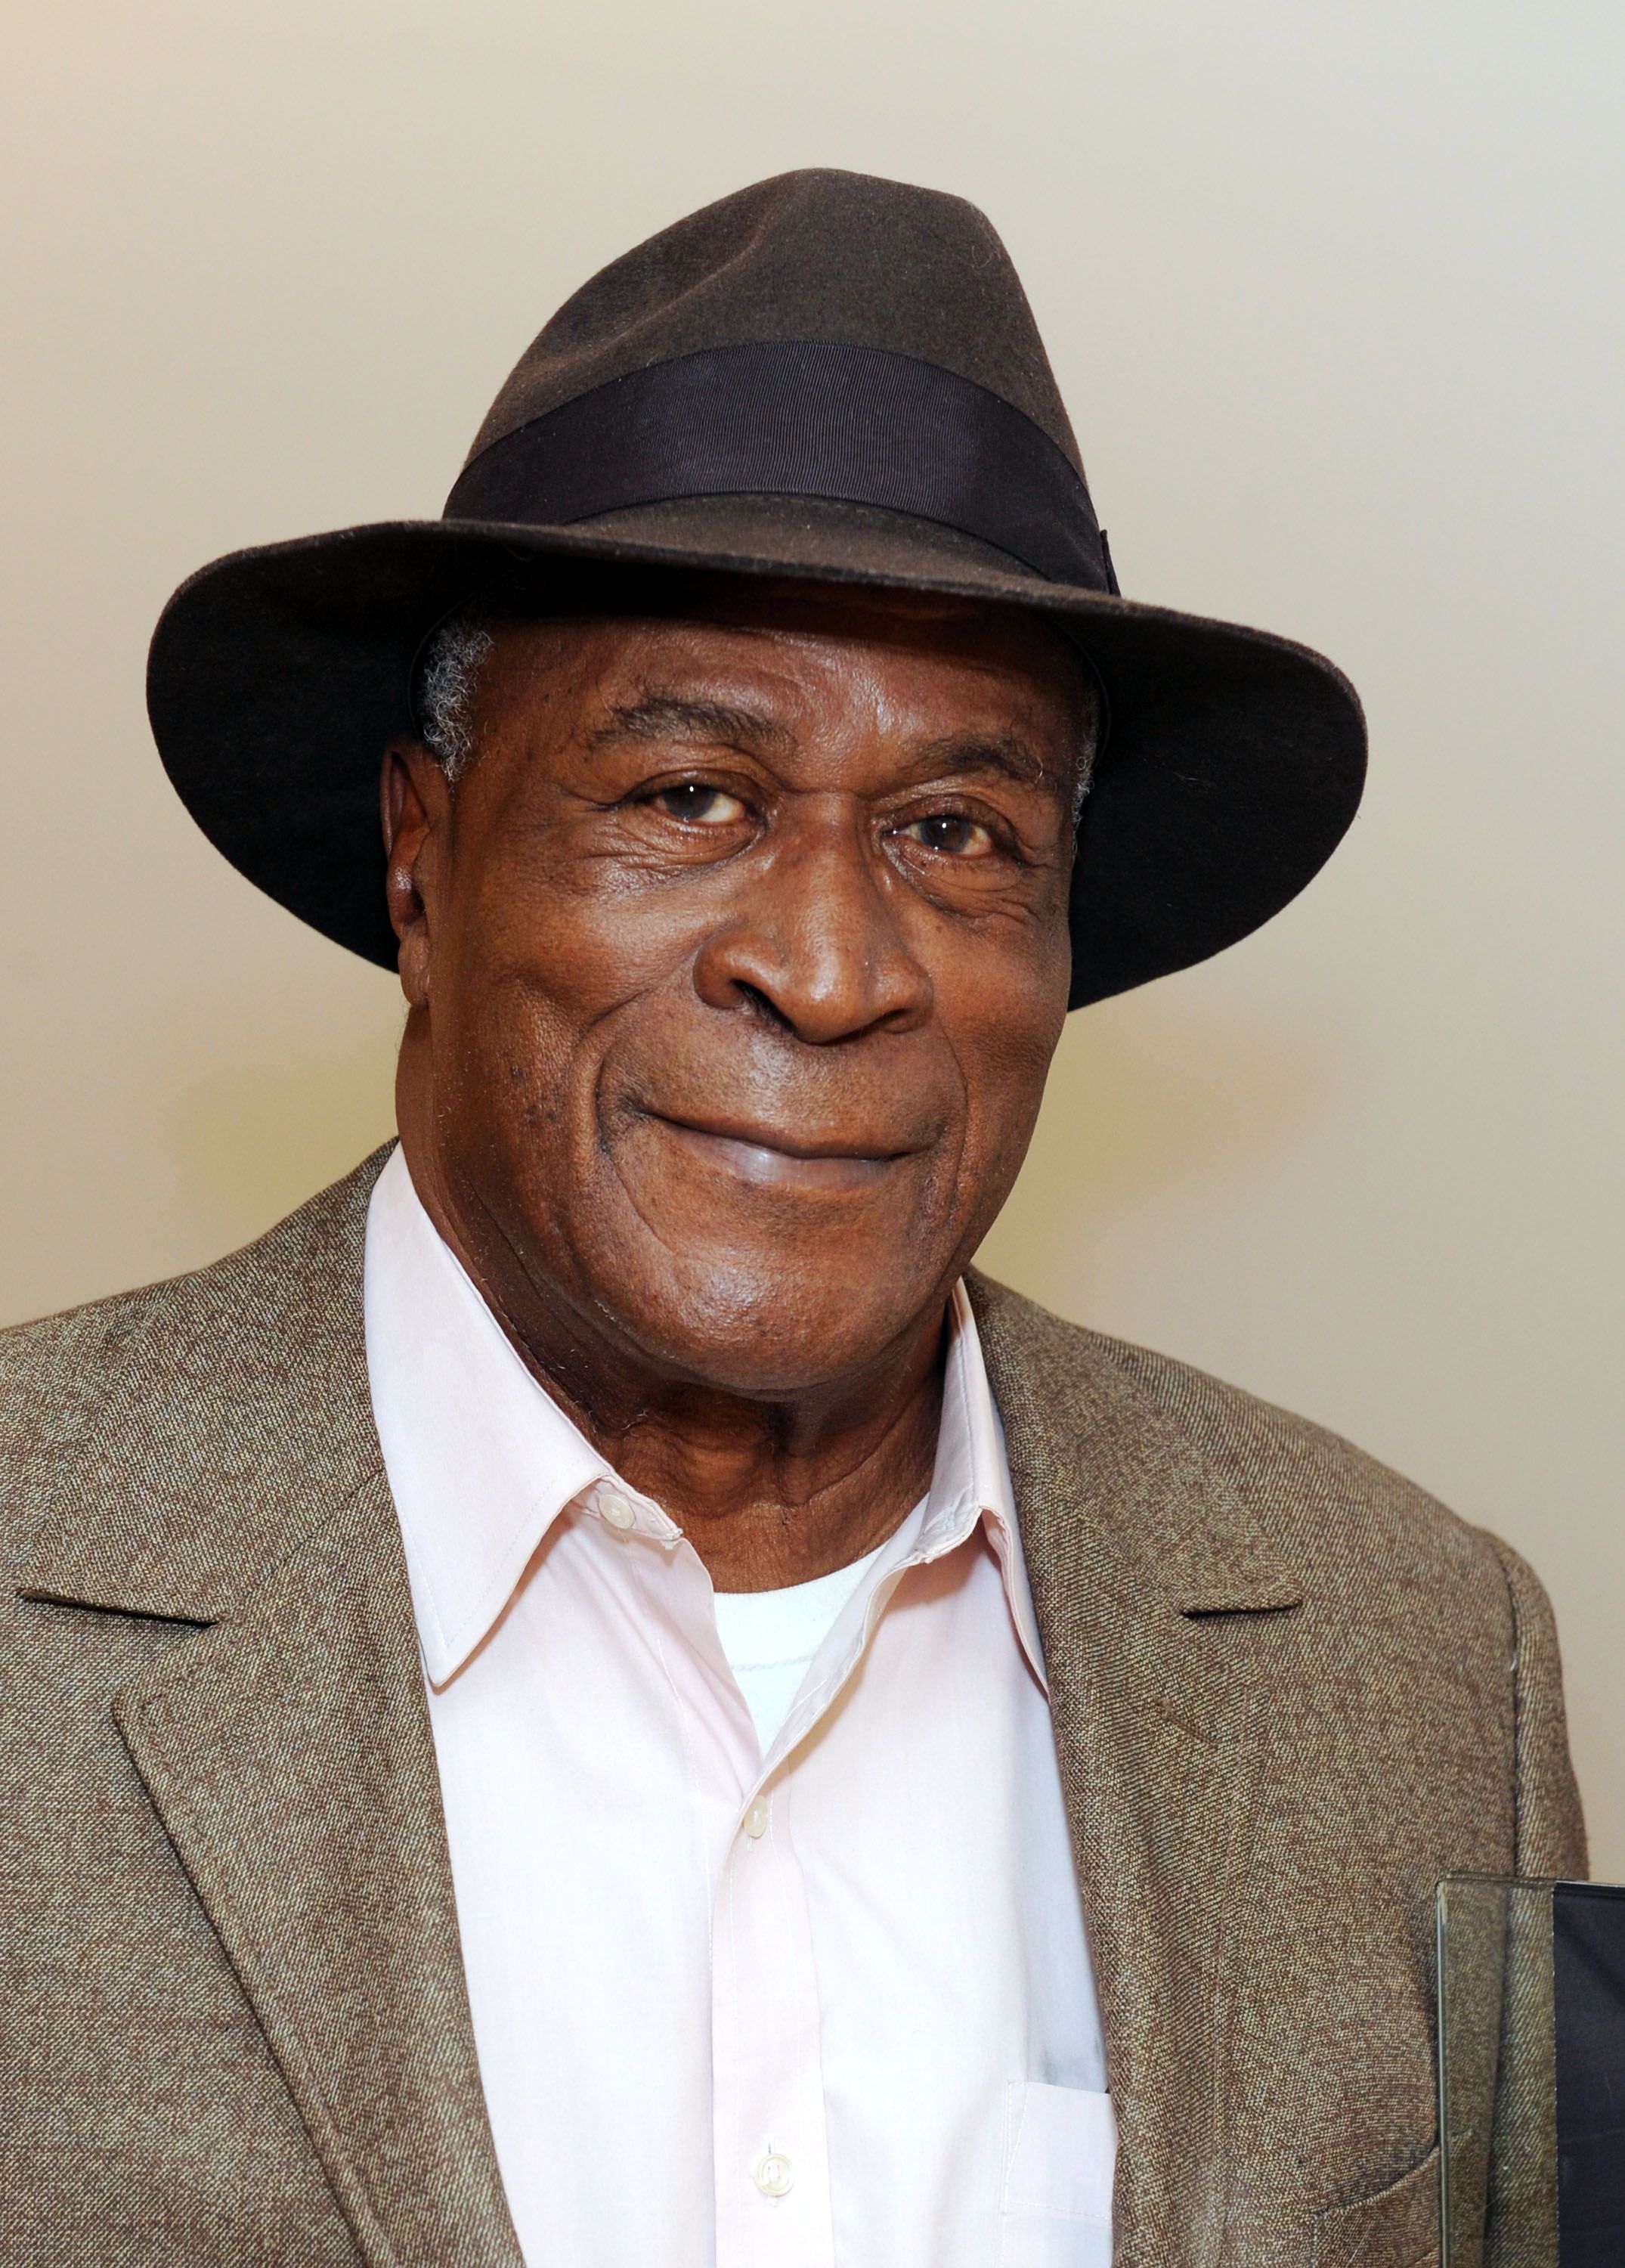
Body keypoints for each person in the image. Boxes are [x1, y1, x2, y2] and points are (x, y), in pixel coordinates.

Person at [0, 169, 1583, 2268]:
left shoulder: (1421, 1657)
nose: (833, 968)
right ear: (421, 858)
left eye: (953, 831)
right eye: (689, 799)